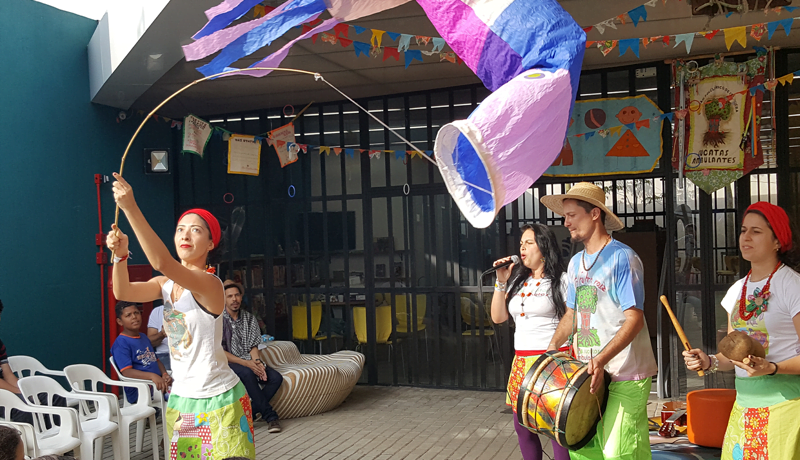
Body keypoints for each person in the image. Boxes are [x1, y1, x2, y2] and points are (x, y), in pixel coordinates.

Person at [106, 172, 255, 460]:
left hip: (220, 399)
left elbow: (161, 261)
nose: (185, 235)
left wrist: (130, 208)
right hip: (182, 399)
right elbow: (121, 290)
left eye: (196, 230)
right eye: (180, 229)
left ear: (211, 244)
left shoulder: (210, 285)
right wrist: (120, 256)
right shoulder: (166, 284)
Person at [541, 182, 657, 460]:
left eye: (572, 215)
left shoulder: (622, 258)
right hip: (586, 374)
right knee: (584, 451)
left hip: (625, 372)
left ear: (594, 214)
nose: (566, 222)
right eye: (565, 215)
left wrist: (602, 360)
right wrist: (551, 349)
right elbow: (571, 314)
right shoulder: (575, 262)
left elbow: (635, 319)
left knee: (619, 452)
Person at [683, 201, 800, 458]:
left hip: (786, 407)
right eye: (743, 230)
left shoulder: (792, 286)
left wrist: (773, 367)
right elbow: (733, 357)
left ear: (778, 240)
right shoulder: (736, 292)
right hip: (744, 408)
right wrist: (710, 361)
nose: (745, 237)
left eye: (756, 232)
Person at [490, 223, 570, 460]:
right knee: (522, 427)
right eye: (521, 244)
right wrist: (500, 281)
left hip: (552, 364)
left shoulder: (561, 281)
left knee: (556, 429)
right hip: (522, 364)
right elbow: (498, 317)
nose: (522, 249)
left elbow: (574, 319)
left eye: (529, 243)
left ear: (544, 247)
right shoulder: (517, 281)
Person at [222, 280, 283, 433]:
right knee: (248, 373)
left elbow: (253, 346)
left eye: (237, 295)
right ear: (223, 299)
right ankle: (270, 417)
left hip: (248, 359)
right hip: (228, 361)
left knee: (275, 378)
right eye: (229, 296)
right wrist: (246, 363)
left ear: (241, 297)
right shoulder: (217, 321)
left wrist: (257, 362)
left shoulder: (249, 318)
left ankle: (248, 412)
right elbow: (218, 351)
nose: (234, 299)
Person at [0, 300, 65, 427]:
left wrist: (25, 390)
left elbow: (8, 375)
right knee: (25, 408)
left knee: (54, 397)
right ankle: (31, 445)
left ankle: (59, 440)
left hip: (7, 390)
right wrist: (20, 393)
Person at [110, 301, 172, 403]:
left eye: (136, 313)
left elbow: (156, 360)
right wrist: (153, 376)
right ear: (120, 321)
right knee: (179, 398)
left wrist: (164, 374)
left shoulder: (143, 337)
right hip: (140, 389)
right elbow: (126, 372)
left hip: (158, 385)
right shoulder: (121, 343)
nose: (134, 317)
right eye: (128, 315)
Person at [147, 304, 171, 371]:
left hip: (188, 354)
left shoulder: (192, 310)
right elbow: (150, 343)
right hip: (164, 354)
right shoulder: (157, 311)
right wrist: (162, 334)